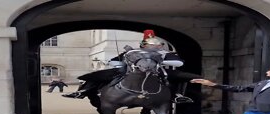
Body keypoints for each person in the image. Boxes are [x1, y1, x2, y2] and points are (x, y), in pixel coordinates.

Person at [63, 29, 201, 103]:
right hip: (130, 72)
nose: (154, 46)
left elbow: (179, 63)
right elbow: (114, 61)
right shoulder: (133, 52)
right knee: (96, 75)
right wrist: (127, 61)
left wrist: (159, 62)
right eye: (150, 45)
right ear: (143, 45)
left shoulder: (164, 52)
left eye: (156, 44)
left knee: (183, 77)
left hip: (158, 72)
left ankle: (177, 96)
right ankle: (82, 91)